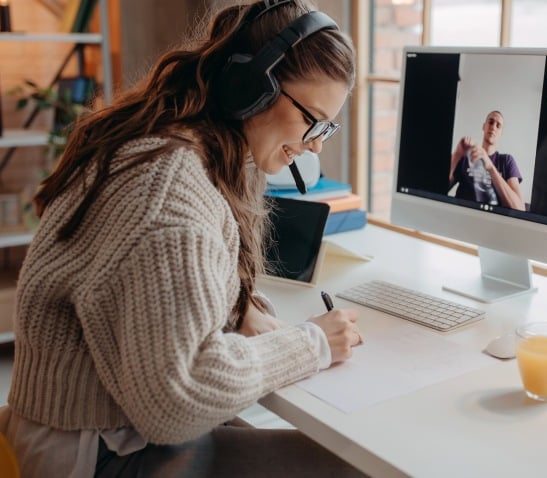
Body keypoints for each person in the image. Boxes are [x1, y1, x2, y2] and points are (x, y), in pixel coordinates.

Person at [0, 1, 367, 477]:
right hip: (90, 454)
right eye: (313, 119)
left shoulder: (184, 149)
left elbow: (153, 298)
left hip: (114, 427)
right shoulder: (168, 187)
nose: (317, 144)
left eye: (328, 126)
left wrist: (238, 309)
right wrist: (312, 343)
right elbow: (179, 401)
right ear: (253, 87)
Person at [449, 110, 525, 211]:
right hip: (459, 216)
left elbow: (519, 208)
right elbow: (436, 190)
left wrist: (490, 167)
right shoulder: (465, 157)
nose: (493, 127)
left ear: (501, 133)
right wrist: (457, 154)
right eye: (491, 122)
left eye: (498, 126)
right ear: (484, 126)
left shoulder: (506, 161)